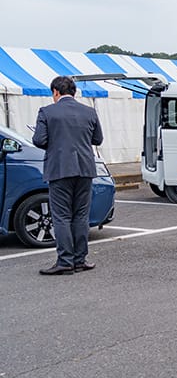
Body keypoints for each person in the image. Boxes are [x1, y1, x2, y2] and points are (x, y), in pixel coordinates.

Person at [32, 76, 103, 275]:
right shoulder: (89, 112)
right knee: (80, 215)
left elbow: (39, 140)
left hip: (60, 169)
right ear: (74, 92)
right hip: (85, 169)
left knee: (61, 216)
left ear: (56, 92)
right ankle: (80, 259)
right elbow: (97, 139)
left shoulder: (47, 112)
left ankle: (65, 261)